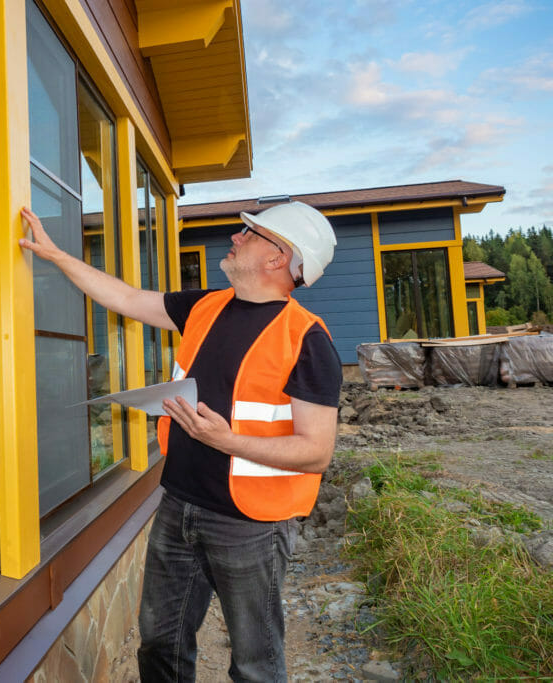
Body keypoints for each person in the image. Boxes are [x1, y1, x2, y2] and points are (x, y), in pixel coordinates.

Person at [19, 201, 342, 682]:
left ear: (278, 257)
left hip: (249, 524)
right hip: (179, 505)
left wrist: (226, 440)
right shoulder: (204, 307)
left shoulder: (307, 340)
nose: (235, 238)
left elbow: (316, 452)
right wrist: (57, 256)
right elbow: (126, 299)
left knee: (256, 663)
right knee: (160, 645)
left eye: (249, 234)